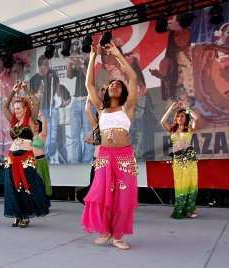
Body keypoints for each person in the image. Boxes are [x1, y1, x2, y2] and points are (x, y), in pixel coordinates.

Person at [81, 42, 139, 250]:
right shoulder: (101, 108)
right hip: (104, 155)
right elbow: (89, 85)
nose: (115, 85)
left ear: (123, 92)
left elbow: (132, 78)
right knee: (102, 193)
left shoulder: (128, 107)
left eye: (118, 84)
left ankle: (118, 236)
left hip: (124, 156)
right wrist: (92, 59)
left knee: (123, 196)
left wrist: (117, 55)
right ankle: (105, 231)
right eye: (112, 84)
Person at [2, 81, 49, 228]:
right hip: (12, 156)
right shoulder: (13, 122)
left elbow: (35, 101)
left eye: (18, 109)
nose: (16, 111)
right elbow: (4, 106)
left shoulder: (30, 121)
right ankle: (17, 214)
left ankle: (26, 215)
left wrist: (26, 89)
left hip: (26, 158)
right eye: (15, 109)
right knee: (12, 186)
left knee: (26, 185)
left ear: (25, 108)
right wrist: (13, 92)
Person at [161, 101, 198, 219]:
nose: (180, 118)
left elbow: (196, 118)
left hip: (189, 160)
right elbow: (162, 121)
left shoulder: (189, 129)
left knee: (189, 184)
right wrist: (171, 109)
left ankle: (191, 208)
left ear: (186, 118)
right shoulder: (172, 130)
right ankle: (181, 208)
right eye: (178, 116)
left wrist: (186, 108)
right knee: (180, 184)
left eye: (182, 116)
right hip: (177, 160)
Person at [30, 54, 60, 160]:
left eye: (47, 64)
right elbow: (31, 98)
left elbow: (58, 89)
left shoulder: (52, 75)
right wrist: (38, 95)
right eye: (44, 65)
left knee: (53, 130)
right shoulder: (33, 79)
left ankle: (50, 152)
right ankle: (43, 154)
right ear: (39, 66)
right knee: (42, 132)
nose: (47, 67)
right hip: (40, 110)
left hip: (51, 107)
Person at [66, 53, 94, 163]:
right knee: (74, 133)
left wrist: (82, 65)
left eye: (86, 53)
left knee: (88, 131)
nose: (83, 55)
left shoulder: (92, 66)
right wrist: (70, 63)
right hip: (76, 101)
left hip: (88, 101)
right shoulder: (79, 66)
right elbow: (68, 75)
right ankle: (75, 160)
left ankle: (87, 160)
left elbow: (89, 79)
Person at [75, 97, 100, 204]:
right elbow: (87, 111)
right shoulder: (96, 126)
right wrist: (89, 99)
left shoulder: (110, 127)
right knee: (93, 183)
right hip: (97, 160)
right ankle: (88, 199)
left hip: (107, 159)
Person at [32, 112, 52, 207]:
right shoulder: (28, 137)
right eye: (34, 123)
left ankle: (42, 202)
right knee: (32, 182)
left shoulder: (41, 136)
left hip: (40, 161)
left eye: (37, 124)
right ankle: (34, 202)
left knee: (41, 181)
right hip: (31, 162)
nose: (35, 125)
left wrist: (41, 115)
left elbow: (45, 123)